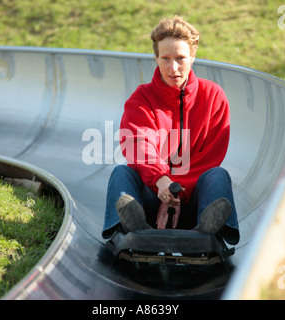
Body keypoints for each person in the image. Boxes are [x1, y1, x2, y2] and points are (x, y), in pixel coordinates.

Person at [102, 16, 239, 245]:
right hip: (151, 198)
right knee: (122, 173)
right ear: (156, 57)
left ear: (193, 57)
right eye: (165, 58)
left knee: (218, 175)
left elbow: (210, 158)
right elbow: (138, 143)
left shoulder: (213, 97)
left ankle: (211, 231)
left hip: (195, 203)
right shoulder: (142, 99)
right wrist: (161, 181)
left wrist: (175, 192)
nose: (173, 68)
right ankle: (128, 229)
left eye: (180, 58)